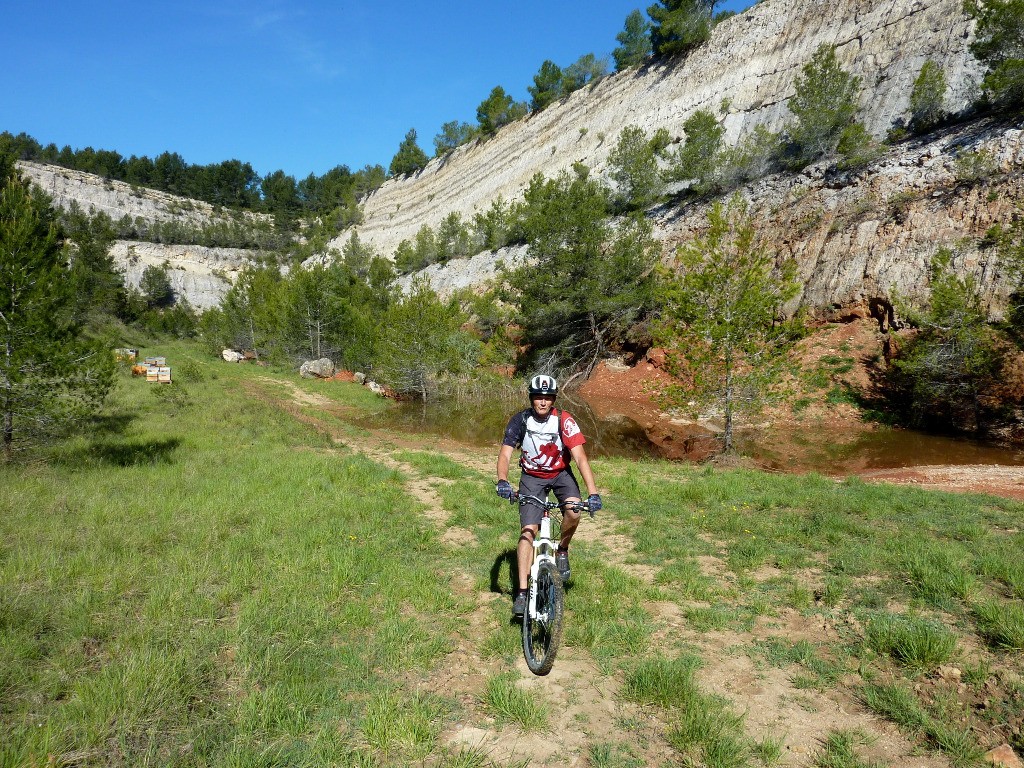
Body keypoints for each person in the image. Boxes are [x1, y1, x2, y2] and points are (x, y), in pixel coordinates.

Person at [495, 374, 602, 616]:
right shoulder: (520, 420)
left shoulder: (564, 421)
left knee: (574, 511)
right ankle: (522, 592)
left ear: (553, 399)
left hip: (560, 474)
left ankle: (562, 549)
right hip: (532, 477)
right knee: (527, 531)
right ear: (532, 398)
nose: (543, 402)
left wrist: (593, 493)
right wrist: (503, 481)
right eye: (538, 397)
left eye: (548, 398)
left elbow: (580, 457)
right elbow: (505, 455)